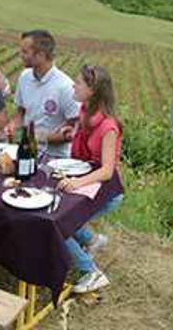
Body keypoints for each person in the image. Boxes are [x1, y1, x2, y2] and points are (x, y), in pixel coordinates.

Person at [58, 65, 124, 294]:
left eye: (78, 83)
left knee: (58, 224)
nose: (73, 85)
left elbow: (107, 170)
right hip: (89, 180)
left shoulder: (109, 127)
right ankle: (92, 241)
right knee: (64, 215)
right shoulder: (85, 112)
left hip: (106, 190)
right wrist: (72, 134)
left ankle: (90, 272)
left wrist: (76, 183)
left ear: (93, 90)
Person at [9, 30, 79, 158]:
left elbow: (74, 130)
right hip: (26, 150)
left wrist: (37, 138)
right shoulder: (24, 77)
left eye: (25, 52)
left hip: (54, 157)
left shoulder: (65, 87)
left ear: (40, 55)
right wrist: (13, 126)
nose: (20, 55)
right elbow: (21, 112)